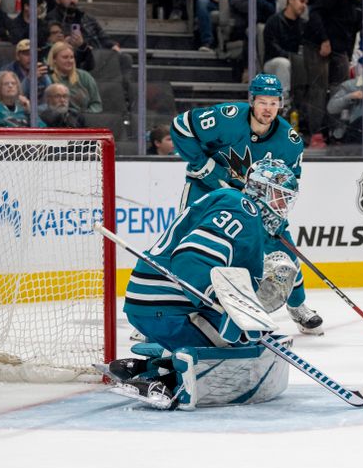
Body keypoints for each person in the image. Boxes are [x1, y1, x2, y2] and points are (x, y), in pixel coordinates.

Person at [106, 159, 300, 410]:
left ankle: (145, 367)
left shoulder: (233, 203)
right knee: (239, 341)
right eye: (280, 197)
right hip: (167, 305)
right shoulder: (243, 209)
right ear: (261, 190)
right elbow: (191, 259)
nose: (283, 206)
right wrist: (229, 308)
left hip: (154, 302)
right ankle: (166, 381)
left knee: (242, 335)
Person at [170, 74, 323, 335]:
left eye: (274, 103)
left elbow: (289, 182)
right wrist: (202, 165)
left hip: (257, 202)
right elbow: (181, 127)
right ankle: (169, 307)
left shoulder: (289, 141)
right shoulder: (227, 117)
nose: (268, 109)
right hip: (207, 189)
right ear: (251, 100)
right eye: (263, 102)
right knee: (181, 242)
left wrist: (273, 207)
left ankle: (298, 306)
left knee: (285, 252)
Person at [303, 0, 363, 149]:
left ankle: (336, 132)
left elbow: (353, 31)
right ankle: (315, 133)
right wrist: (323, 39)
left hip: (340, 47)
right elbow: (315, 14)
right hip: (318, 44)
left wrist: (348, 56)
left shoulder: (361, 1)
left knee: (341, 88)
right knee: (319, 87)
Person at [262, 0, 308, 111]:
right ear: (291, 0)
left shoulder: (304, 25)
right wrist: (293, 58)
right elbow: (272, 47)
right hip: (273, 62)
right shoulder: (274, 21)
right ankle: (283, 102)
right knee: (283, 63)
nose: (304, 6)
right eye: (301, 1)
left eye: (306, 3)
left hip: (296, 62)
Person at [45, 0, 122, 53]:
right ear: (58, 0)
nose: (72, 1)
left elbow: (103, 36)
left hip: (97, 53)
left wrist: (113, 45)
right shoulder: (52, 18)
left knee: (124, 58)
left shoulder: (88, 18)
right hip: (73, 54)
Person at [47, 41, 102, 113]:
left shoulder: (85, 76)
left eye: (72, 57)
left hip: (84, 119)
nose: (69, 61)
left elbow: (96, 104)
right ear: (54, 59)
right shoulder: (47, 78)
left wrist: (86, 115)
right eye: (65, 57)